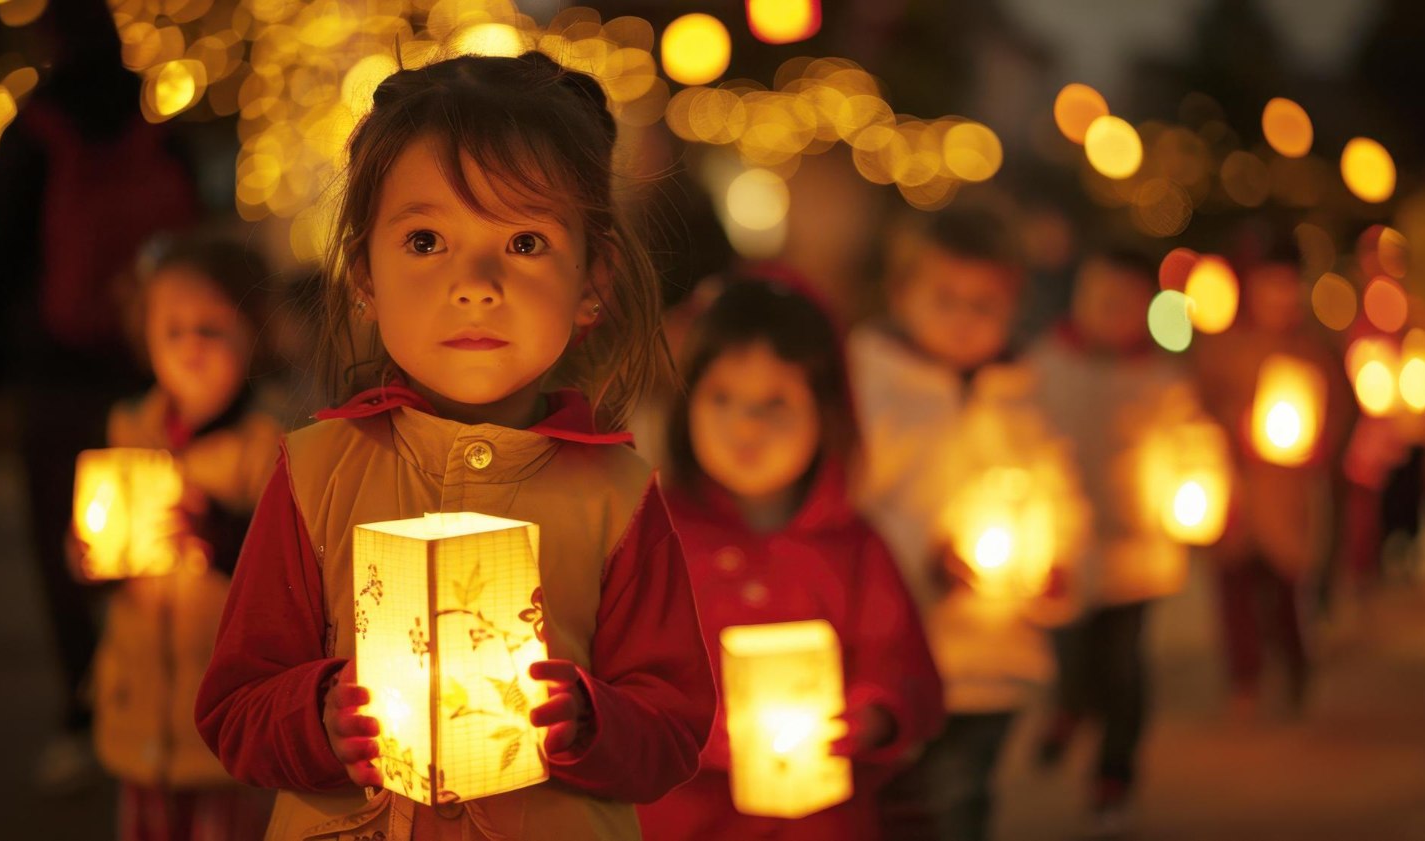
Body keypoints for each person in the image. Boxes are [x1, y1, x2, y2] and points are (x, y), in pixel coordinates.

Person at [194, 53, 715, 841]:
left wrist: (593, 722)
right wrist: (317, 715)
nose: (476, 282)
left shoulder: (618, 492)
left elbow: (674, 727)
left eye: (527, 242)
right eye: (427, 239)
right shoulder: (314, 472)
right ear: (363, 272)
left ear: (594, 279)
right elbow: (234, 707)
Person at [0, 1, 199, 790]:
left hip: (57, 370)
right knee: (163, 537)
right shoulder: (157, 129)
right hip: (154, 367)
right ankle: (162, 695)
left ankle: (84, 709)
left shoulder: (36, 132)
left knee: (70, 548)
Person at [637, 275, 943, 841]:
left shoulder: (854, 547)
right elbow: (629, 673)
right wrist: (695, 727)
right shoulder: (658, 539)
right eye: (722, 397)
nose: (746, 425)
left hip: (821, 823)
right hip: (685, 818)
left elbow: (901, 660)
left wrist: (871, 716)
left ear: (826, 411)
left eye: (775, 402)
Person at [848, 206, 1066, 841]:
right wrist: (923, 559)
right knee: (902, 803)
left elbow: (1059, 493)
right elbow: (856, 511)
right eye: (946, 298)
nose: (966, 320)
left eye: (986, 304)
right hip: (899, 652)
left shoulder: (1022, 393)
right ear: (902, 293)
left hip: (995, 657)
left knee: (963, 799)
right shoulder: (873, 389)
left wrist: (1060, 565)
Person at [77, 234, 281, 840]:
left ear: (254, 334)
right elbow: (102, 537)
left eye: (212, 329)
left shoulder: (266, 446)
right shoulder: (129, 426)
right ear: (146, 337)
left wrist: (214, 533)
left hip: (222, 720)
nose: (191, 347)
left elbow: (283, 569)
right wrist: (92, 556)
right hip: (138, 707)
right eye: (173, 330)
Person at [1026, 245, 1208, 834]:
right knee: (1072, 649)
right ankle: (1070, 706)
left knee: (1125, 664)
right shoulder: (1043, 367)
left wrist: (1198, 493)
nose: (1109, 312)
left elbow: (1192, 444)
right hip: (1063, 550)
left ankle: (1114, 771)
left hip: (1138, 554)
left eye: (1124, 303)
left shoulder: (1158, 378)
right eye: (1100, 298)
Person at [1193, 233, 1351, 719]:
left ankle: (1296, 669)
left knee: (1286, 590)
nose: (1279, 297)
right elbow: (1199, 408)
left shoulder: (1314, 352)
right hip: (1236, 492)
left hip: (1288, 494)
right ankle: (1245, 678)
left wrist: (1319, 445)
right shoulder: (1224, 348)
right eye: (1269, 286)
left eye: (1288, 286)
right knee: (1235, 588)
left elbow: (1340, 414)